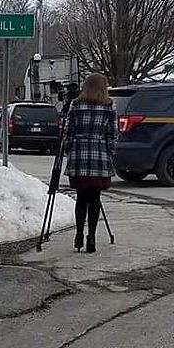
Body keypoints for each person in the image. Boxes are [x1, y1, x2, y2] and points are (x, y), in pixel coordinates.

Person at [64, 72, 118, 253]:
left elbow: (68, 133)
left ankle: (78, 233)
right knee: (95, 198)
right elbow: (112, 135)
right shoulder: (109, 106)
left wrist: (69, 150)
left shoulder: (76, 105)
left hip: (79, 155)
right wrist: (110, 153)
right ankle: (91, 238)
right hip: (99, 156)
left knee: (81, 197)